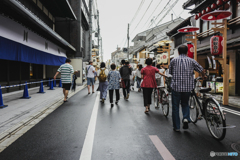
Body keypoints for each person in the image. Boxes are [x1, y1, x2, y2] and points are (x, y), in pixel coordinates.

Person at [169, 45, 206, 132]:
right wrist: (204, 76)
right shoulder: (191, 60)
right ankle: (186, 118)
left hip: (176, 87)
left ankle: (177, 127)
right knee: (185, 104)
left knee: (175, 107)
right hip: (187, 87)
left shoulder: (173, 60)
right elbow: (201, 69)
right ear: (187, 52)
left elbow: (170, 72)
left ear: (178, 52)